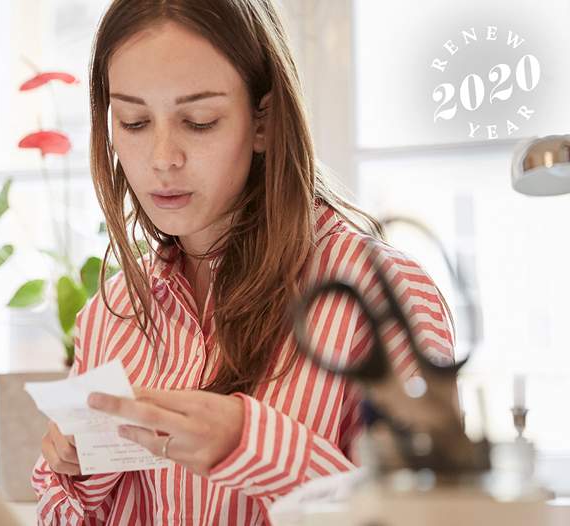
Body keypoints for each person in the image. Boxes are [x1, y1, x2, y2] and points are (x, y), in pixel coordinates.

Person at [31, 0, 455, 524]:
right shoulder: (109, 319)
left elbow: (429, 516)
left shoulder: (383, 294)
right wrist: (76, 473)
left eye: (199, 121)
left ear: (264, 121)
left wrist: (252, 443)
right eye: (135, 122)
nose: (163, 158)